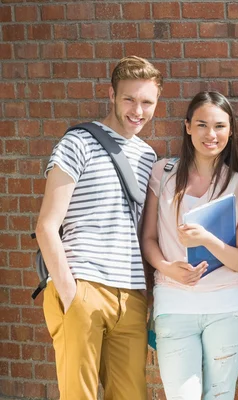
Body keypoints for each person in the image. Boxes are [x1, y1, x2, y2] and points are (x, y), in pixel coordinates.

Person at [35, 56, 162, 399]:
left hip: (131, 295)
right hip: (83, 286)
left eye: (147, 102)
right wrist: (70, 294)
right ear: (111, 95)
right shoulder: (77, 143)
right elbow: (47, 226)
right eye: (129, 99)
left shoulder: (148, 157)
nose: (138, 110)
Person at [141, 91, 238, 400]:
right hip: (174, 305)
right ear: (187, 126)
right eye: (201, 125)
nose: (210, 134)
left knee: (220, 396)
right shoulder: (163, 173)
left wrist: (207, 240)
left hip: (227, 307)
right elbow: (148, 239)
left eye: (219, 126)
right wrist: (166, 268)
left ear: (230, 131)